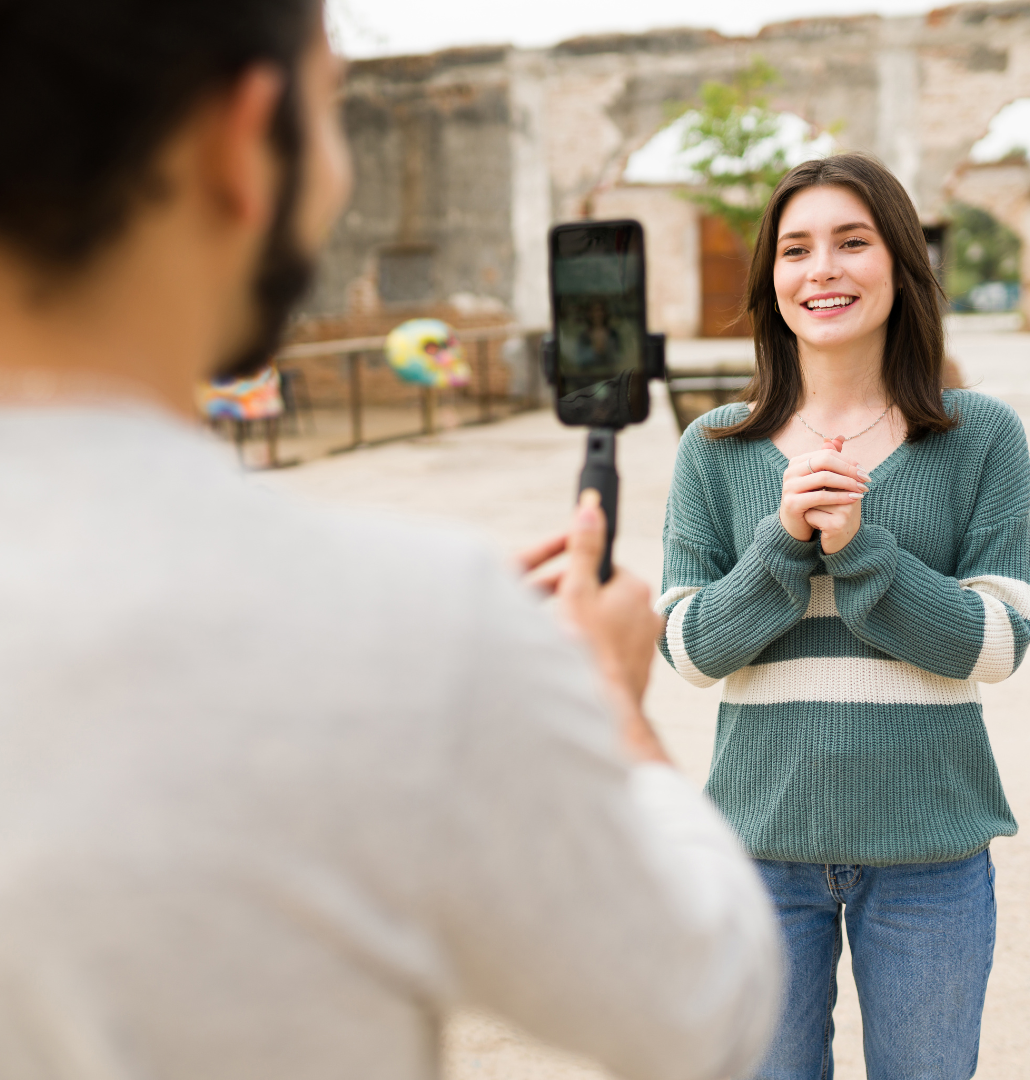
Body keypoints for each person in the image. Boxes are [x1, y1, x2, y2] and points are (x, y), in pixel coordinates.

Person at [0, 2, 780, 1078]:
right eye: (331, 111)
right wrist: (608, 707)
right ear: (243, 141)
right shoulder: (420, 633)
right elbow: (705, 1008)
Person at [656, 153, 1030, 1080]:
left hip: (932, 858)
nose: (820, 268)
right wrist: (782, 543)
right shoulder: (716, 447)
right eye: (795, 250)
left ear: (901, 266)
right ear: (771, 282)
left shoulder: (979, 434)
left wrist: (864, 548)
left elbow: (994, 643)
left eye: (851, 242)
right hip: (759, 857)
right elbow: (689, 651)